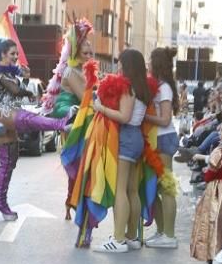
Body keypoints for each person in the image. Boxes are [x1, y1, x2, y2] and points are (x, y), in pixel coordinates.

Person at [73, 49, 154, 252]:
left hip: (126, 137)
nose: (118, 67)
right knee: (132, 190)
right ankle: (131, 237)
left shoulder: (128, 87)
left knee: (120, 190)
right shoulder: (142, 87)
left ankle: (118, 241)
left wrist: (101, 108)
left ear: (128, 66)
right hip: (136, 139)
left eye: (120, 63)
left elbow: (124, 117)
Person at [0, 40, 69, 222]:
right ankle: (59, 124)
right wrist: (28, 90)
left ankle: (0, 202)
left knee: (9, 160)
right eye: (12, 53)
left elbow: (15, 90)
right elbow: (14, 90)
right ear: (3, 54)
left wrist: (26, 79)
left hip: (5, 113)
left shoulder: (10, 72)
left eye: (16, 54)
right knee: (25, 118)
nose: (15, 57)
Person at [42, 19, 94, 218]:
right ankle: (73, 200)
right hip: (72, 116)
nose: (89, 57)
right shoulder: (72, 71)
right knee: (77, 160)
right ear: (76, 53)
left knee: (84, 162)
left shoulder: (85, 71)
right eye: (85, 53)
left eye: (91, 53)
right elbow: (87, 98)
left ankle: (72, 199)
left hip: (83, 116)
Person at [143, 47, 180, 249]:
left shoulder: (164, 87)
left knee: (166, 188)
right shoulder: (159, 85)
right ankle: (162, 231)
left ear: (156, 63)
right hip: (157, 140)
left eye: (150, 60)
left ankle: (170, 235)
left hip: (164, 139)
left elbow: (165, 120)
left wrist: (144, 116)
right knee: (155, 188)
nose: (148, 64)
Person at [190, 120, 222, 264]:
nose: (219, 134)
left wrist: (206, 173)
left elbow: (210, 174)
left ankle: (214, 255)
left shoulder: (220, 151)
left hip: (218, 191)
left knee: (214, 223)